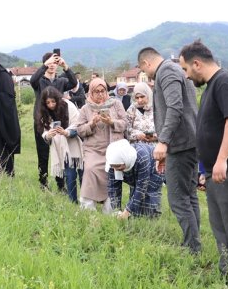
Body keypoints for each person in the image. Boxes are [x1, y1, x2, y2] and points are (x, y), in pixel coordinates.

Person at [178, 39, 228, 280]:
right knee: (221, 226)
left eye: (185, 69)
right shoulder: (212, 86)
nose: (186, 76)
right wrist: (206, 168)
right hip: (218, 171)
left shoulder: (226, 82)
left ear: (196, 64)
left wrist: (222, 159)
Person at [138, 46, 201, 254]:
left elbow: (175, 107)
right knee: (189, 195)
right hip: (189, 142)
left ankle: (192, 247)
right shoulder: (175, 70)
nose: (146, 74)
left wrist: (163, 141)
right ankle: (193, 242)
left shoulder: (166, 71)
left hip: (181, 144)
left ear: (147, 63)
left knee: (177, 198)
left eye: (143, 69)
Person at [75, 78, 126, 212]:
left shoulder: (116, 104)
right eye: (96, 92)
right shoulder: (86, 108)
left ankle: (109, 209)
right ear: (91, 93)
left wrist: (111, 122)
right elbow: (79, 130)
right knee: (90, 169)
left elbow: (125, 123)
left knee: (111, 172)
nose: (100, 94)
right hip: (93, 149)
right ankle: (88, 208)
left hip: (113, 148)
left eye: (102, 91)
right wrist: (91, 123)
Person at [30, 50, 78, 191]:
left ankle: (60, 184)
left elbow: (74, 83)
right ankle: (43, 183)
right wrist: (45, 65)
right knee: (43, 153)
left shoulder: (61, 81)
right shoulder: (39, 81)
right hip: (42, 121)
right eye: (50, 63)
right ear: (45, 64)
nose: (52, 65)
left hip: (59, 122)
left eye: (55, 62)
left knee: (60, 152)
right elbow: (32, 80)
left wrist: (65, 66)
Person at [36, 86, 84, 202]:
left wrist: (66, 132)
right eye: (48, 102)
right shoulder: (45, 112)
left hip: (76, 144)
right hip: (62, 148)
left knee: (83, 174)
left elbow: (78, 123)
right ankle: (73, 201)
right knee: (69, 175)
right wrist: (49, 135)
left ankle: (86, 200)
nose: (51, 105)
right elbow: (44, 132)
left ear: (58, 99)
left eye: (53, 101)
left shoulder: (69, 106)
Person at [106, 139, 164, 219]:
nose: (115, 170)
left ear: (125, 160)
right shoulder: (113, 163)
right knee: (134, 201)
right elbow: (113, 188)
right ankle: (135, 218)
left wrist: (127, 211)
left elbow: (141, 188)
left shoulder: (141, 157)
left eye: (118, 166)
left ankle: (152, 220)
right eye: (113, 167)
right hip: (133, 169)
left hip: (153, 168)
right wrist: (116, 210)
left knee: (149, 195)